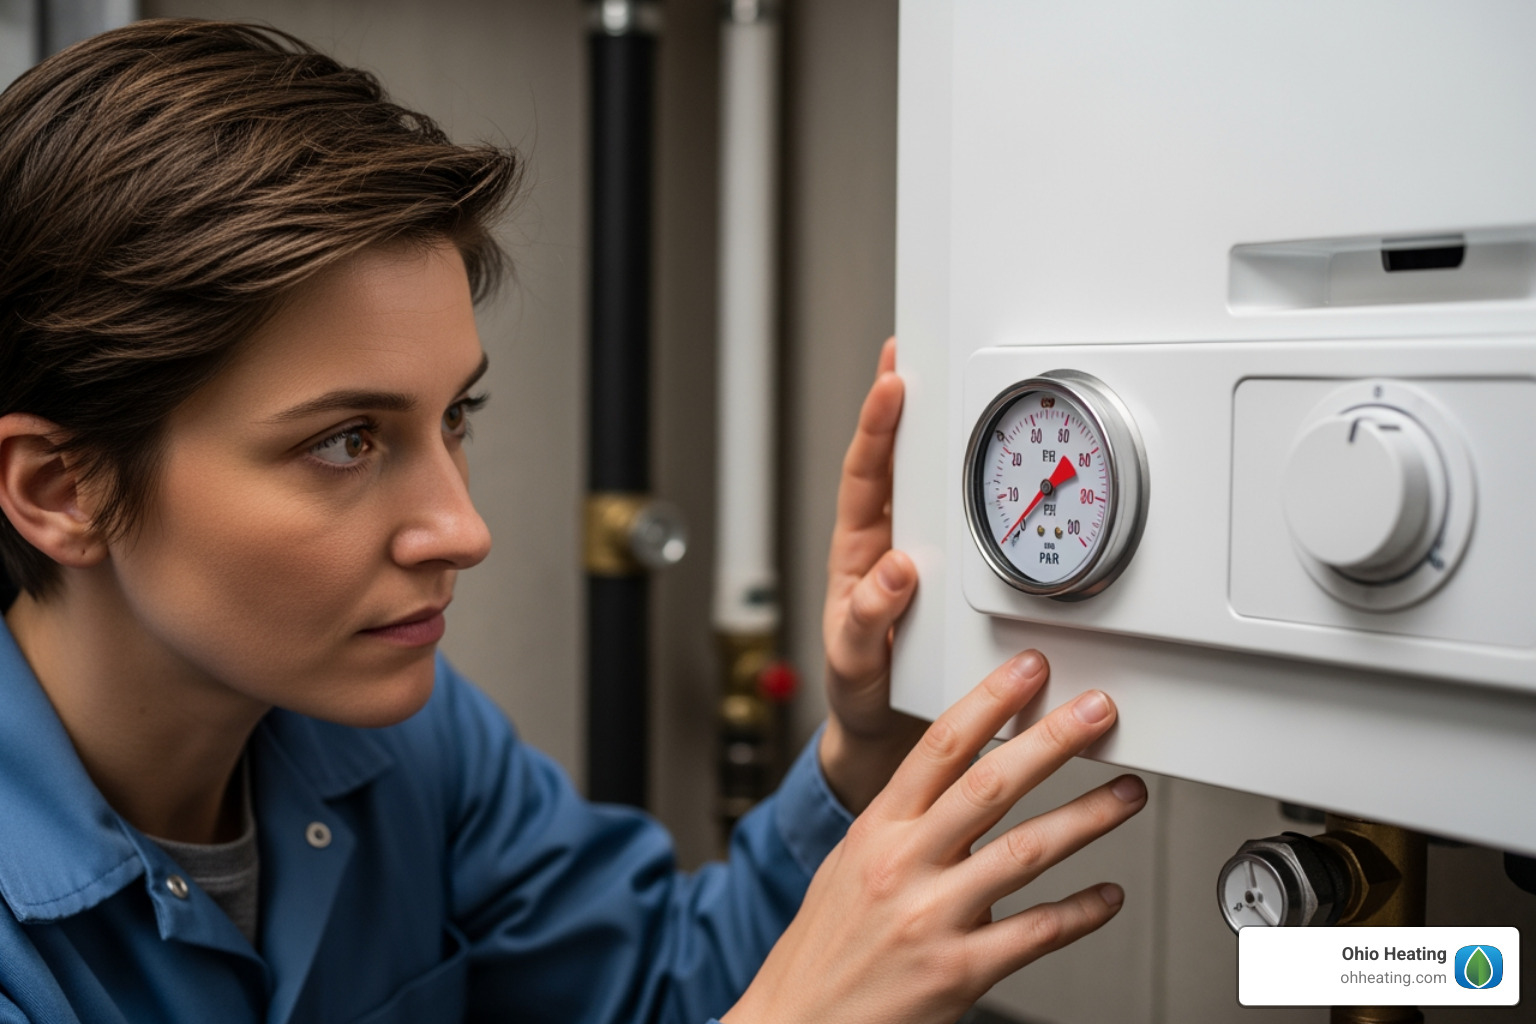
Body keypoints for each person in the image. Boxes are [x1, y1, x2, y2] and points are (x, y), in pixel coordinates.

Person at [0, 19, 1147, 1024]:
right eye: (345, 440)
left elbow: (660, 986)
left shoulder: (398, 742)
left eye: (455, 417)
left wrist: (869, 743)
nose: (463, 529)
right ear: (59, 490)